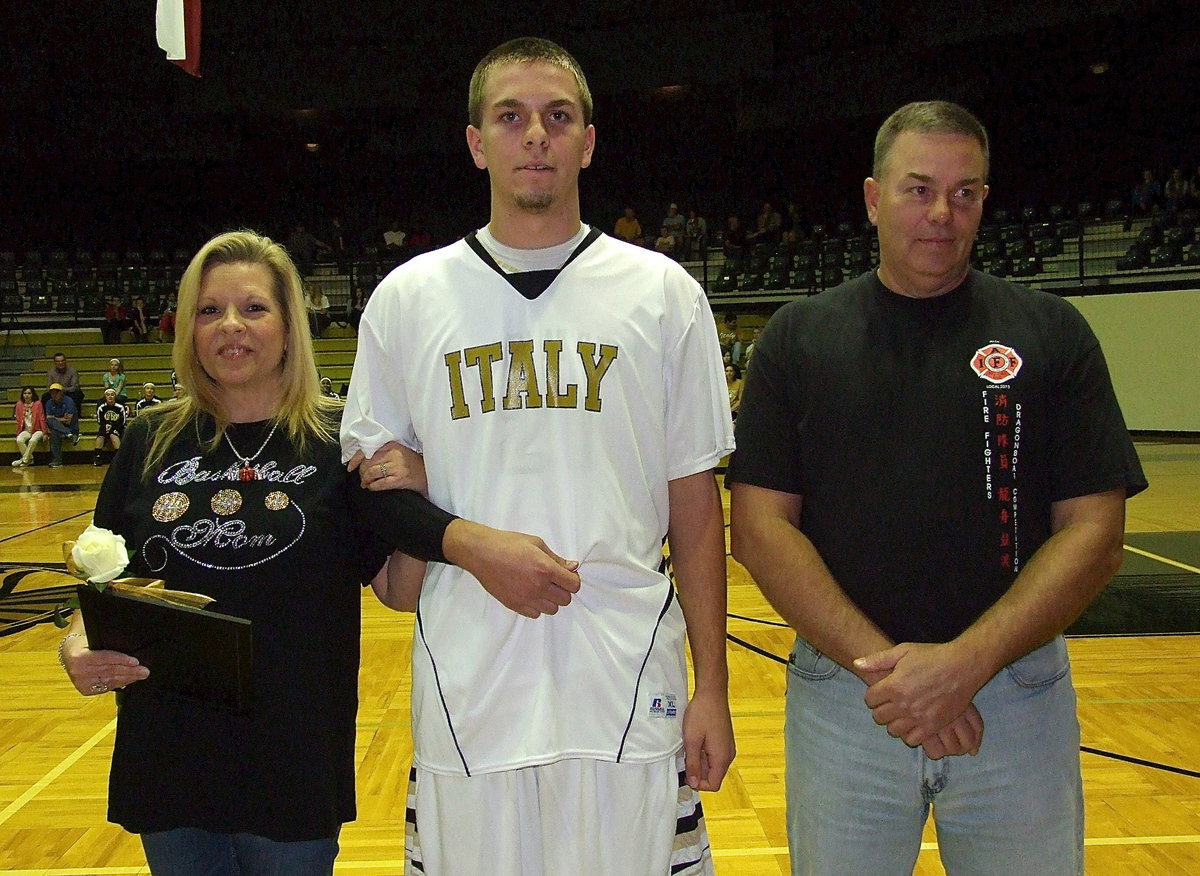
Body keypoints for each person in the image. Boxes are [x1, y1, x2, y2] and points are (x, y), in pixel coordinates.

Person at [341, 37, 735, 876]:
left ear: (588, 141)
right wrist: (474, 545)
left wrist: (715, 686)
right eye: (511, 117)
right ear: (477, 142)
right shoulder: (408, 299)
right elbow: (373, 495)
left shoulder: (664, 295)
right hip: (470, 682)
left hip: (626, 679)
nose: (536, 136)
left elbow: (696, 507)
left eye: (558, 117)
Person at [727, 100, 1148, 875]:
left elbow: (1096, 533)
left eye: (966, 193)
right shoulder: (798, 338)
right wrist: (892, 673)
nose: (942, 214)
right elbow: (757, 529)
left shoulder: (1052, 332)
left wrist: (963, 667)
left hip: (1013, 697)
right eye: (918, 189)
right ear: (871, 197)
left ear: (986, 199)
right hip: (848, 701)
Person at [56, 230, 457, 875]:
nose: (230, 326)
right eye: (210, 311)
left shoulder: (339, 443)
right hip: (171, 756)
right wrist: (75, 644)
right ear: (188, 328)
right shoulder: (147, 441)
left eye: (254, 308)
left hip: (292, 761)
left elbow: (399, 589)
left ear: (289, 325)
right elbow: (105, 585)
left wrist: (427, 485)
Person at [44, 383, 79, 467]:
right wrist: (59, 419)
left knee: (54, 426)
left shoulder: (68, 401)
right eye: (52, 393)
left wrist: (54, 418)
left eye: (56, 392)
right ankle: (68, 434)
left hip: (70, 427)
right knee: (54, 430)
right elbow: (48, 418)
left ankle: (69, 433)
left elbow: (68, 421)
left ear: (61, 393)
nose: (53, 395)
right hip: (59, 428)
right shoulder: (49, 402)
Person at [12, 385, 47, 467]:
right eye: (25, 393)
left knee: (33, 440)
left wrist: (45, 432)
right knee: (19, 440)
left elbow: (42, 418)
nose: (27, 395)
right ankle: (29, 459)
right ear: (22, 395)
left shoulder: (38, 403)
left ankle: (23, 460)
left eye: (29, 393)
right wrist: (18, 432)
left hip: (37, 429)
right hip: (26, 429)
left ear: (32, 395)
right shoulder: (19, 404)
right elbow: (18, 420)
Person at [93, 387, 126, 465]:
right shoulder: (101, 407)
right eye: (108, 395)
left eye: (112, 395)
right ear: (105, 396)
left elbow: (123, 421)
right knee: (100, 435)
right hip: (105, 426)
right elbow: (99, 420)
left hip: (117, 427)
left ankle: (119, 457)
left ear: (115, 396)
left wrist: (112, 426)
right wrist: (106, 426)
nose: (110, 397)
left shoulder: (120, 407)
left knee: (113, 434)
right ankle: (97, 456)